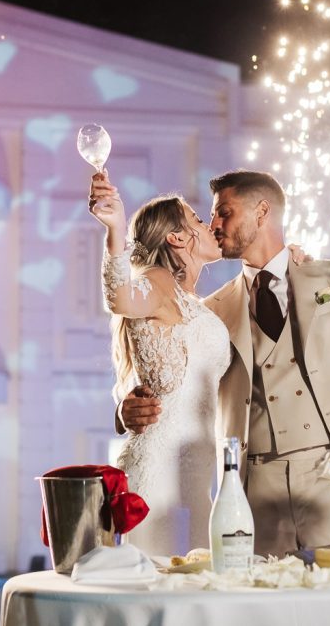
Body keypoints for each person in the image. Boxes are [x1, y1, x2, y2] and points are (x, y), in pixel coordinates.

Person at [117, 169, 330, 557]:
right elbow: (173, 380)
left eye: (224, 212)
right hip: (252, 489)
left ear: (262, 212)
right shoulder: (209, 313)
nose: (213, 225)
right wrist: (126, 408)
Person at [87, 170, 230, 557]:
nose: (209, 225)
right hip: (159, 471)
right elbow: (120, 297)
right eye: (198, 219)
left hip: (200, 472)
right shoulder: (159, 281)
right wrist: (115, 228)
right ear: (178, 237)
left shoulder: (195, 305)